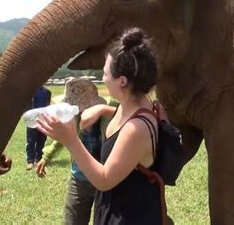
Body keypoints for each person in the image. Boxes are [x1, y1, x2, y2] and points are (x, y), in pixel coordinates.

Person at [37, 28, 167, 224]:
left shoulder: (136, 128)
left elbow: (104, 180)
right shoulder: (134, 106)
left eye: (105, 72)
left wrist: (71, 140)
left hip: (129, 216)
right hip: (117, 208)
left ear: (122, 80)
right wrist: (100, 110)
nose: (103, 78)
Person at [35, 77, 116, 225]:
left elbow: (128, 114)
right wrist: (46, 157)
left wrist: (103, 109)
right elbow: (61, 138)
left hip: (106, 179)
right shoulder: (73, 119)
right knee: (73, 220)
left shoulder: (107, 117)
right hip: (79, 180)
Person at [26, 86, 51, 170]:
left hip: (43, 119)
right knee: (31, 140)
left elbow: (48, 105)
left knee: (41, 140)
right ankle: (30, 161)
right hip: (32, 119)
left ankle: (38, 159)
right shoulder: (30, 92)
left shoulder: (47, 92)